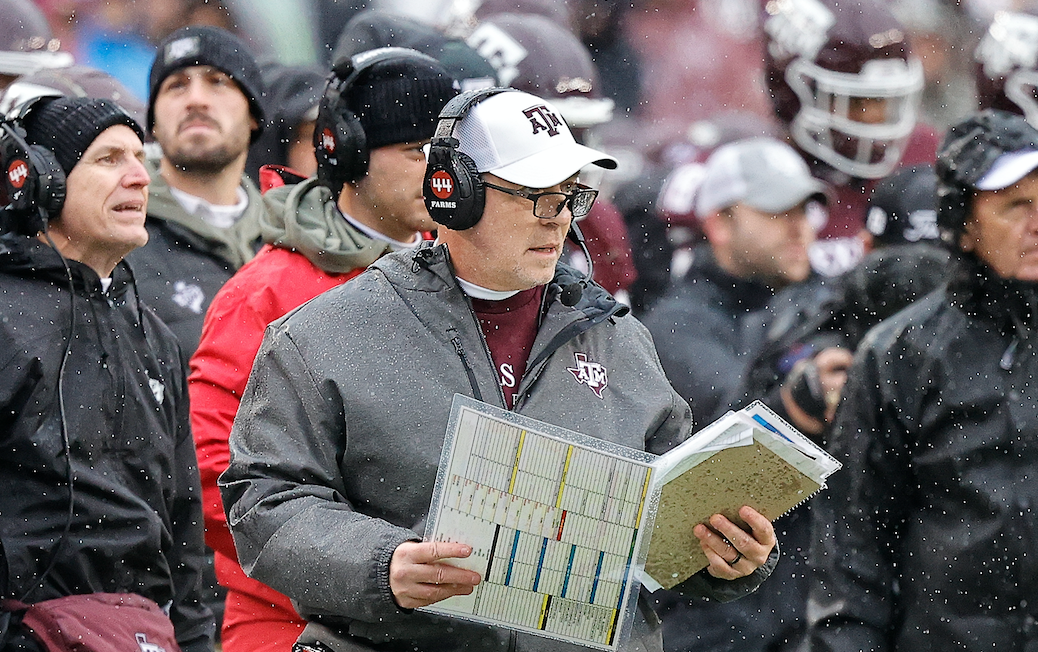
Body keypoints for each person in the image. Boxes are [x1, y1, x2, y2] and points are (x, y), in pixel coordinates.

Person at [220, 88, 779, 652]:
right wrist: (378, 565)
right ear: (454, 194)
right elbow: (264, 500)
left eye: (570, 196)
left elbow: (672, 509)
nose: (559, 220)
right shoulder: (325, 334)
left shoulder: (620, 341)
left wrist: (727, 557)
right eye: (537, 196)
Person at [189, 47, 458, 652]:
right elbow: (216, 475)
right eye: (417, 154)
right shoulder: (262, 295)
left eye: (446, 155)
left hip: (431, 620)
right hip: (291, 626)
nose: (437, 172)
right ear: (348, 154)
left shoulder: (466, 285)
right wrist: (358, 571)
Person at [804, 108, 1038, 650]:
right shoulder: (900, 355)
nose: (1036, 225)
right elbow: (852, 556)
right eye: (1016, 207)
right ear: (965, 224)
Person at [0, 96, 212, 651]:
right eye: (109, 159)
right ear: (41, 180)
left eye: (140, 158)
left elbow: (185, 534)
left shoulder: (155, 336)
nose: (140, 178)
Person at [642, 137, 827, 429]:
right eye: (777, 210)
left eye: (804, 209)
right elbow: (728, 433)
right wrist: (799, 400)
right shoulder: (676, 324)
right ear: (719, 224)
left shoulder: (827, 297)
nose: (799, 227)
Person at [762, 0, 939, 277]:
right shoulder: (758, 179)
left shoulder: (927, 153)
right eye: (854, 102)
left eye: (883, 100)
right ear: (791, 93)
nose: (874, 118)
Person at [125, 25, 269, 354]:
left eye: (217, 81)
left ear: (254, 115)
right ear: (154, 125)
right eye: (176, 86)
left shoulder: (292, 236)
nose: (196, 99)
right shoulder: (118, 236)